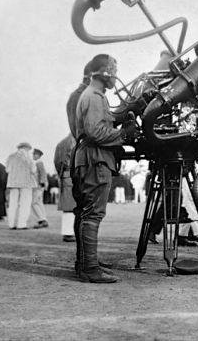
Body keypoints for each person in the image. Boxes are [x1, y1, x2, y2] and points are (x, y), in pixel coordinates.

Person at [74, 54, 136, 283]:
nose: (116, 76)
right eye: (114, 70)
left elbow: (101, 124)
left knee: (87, 213)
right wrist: (124, 134)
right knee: (93, 214)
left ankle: (85, 264)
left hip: (90, 158)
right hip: (96, 159)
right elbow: (96, 132)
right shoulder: (94, 97)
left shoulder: (92, 96)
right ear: (104, 72)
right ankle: (90, 269)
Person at [61, 62, 93, 248]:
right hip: (86, 158)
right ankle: (86, 261)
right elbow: (90, 129)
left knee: (84, 210)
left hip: (81, 157)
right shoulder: (83, 95)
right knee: (86, 210)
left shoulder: (78, 95)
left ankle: (86, 259)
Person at [5, 142, 38, 230]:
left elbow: (7, 169)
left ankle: (11, 224)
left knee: (12, 204)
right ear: (27, 148)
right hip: (26, 183)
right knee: (25, 204)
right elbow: (33, 170)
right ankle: (21, 224)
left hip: (13, 183)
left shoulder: (11, 156)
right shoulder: (28, 157)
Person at [54, 133, 76, 242]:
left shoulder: (61, 143)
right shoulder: (77, 141)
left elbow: (56, 162)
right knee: (71, 206)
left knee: (68, 205)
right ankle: (69, 233)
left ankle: (69, 232)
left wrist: (61, 174)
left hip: (65, 176)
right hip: (75, 175)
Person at [29, 148, 49, 229]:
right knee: (39, 203)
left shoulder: (39, 162)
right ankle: (43, 219)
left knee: (34, 203)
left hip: (38, 186)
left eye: (34, 154)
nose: (33, 156)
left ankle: (42, 220)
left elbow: (42, 174)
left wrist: (41, 184)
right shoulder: (38, 162)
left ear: (37, 155)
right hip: (39, 186)